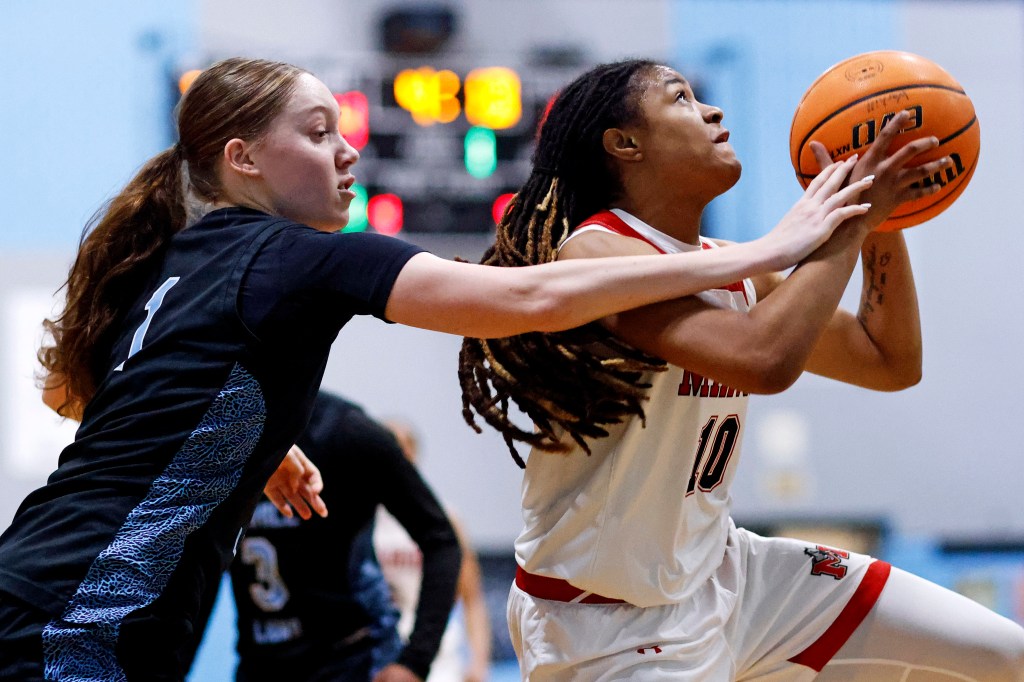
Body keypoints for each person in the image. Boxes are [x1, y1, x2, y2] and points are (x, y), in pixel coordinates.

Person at [0, 55, 856, 681]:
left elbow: (82, 392)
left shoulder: (169, 262)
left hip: (39, 586)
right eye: (317, 133)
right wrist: (767, 250)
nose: (346, 153)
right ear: (243, 159)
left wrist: (257, 442)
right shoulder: (295, 256)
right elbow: (531, 298)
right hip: (81, 621)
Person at [458, 59, 1024, 680]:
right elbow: (762, 360)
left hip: (731, 574)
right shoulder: (596, 254)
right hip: (605, 622)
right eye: (680, 97)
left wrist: (879, 215)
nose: (713, 110)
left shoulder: (729, 265)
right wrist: (854, 219)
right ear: (625, 144)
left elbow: (888, 361)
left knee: (1001, 653)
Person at [228, 390, 461, 682]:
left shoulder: (349, 432)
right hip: (259, 664)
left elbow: (441, 538)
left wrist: (415, 662)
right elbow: (200, 564)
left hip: (351, 659)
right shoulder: (223, 433)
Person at [374, 419, 492, 682]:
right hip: (379, 650)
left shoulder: (444, 518)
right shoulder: (363, 516)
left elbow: (472, 597)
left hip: (435, 652)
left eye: (401, 447)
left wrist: (479, 662)